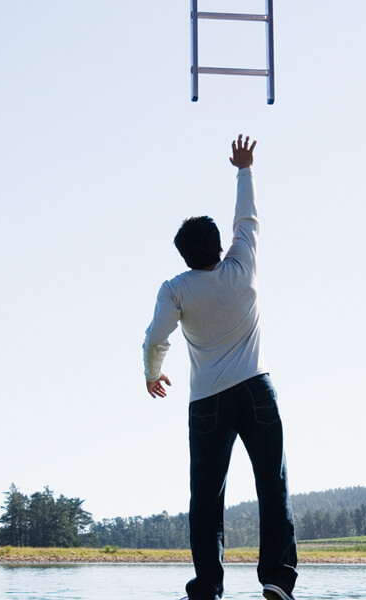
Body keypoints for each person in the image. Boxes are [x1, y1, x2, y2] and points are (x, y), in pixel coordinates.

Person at [143, 135, 298, 600]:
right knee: (273, 485)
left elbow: (156, 338)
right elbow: (247, 220)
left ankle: (209, 587)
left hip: (207, 400)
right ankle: (276, 578)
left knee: (206, 501)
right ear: (219, 247)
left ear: (184, 255)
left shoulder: (175, 289)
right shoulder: (241, 267)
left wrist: (152, 372)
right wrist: (244, 168)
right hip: (256, 390)